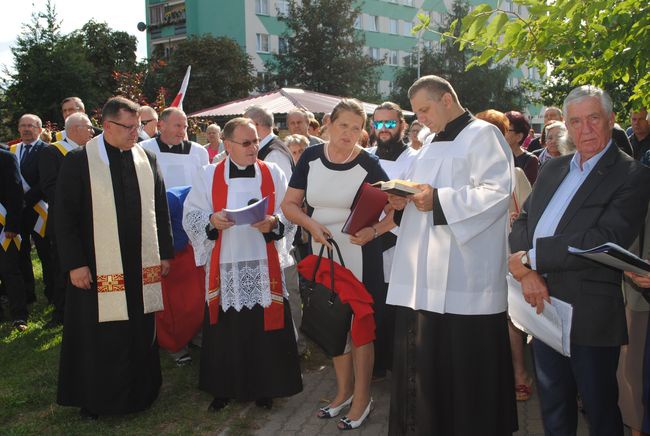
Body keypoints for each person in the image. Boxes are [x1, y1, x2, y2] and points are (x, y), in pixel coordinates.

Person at [508, 85, 650, 436]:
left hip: (589, 310)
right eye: (576, 121)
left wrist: (530, 258)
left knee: (600, 408)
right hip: (541, 304)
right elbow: (524, 221)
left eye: (593, 119)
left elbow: (604, 238)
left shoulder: (632, 175)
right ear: (567, 126)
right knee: (554, 405)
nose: (585, 129)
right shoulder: (554, 168)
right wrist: (527, 272)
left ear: (611, 120)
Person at [386, 75, 517, 435]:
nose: (421, 119)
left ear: (447, 100)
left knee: (464, 367)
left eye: (424, 110)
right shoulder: (428, 144)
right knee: (427, 367)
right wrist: (401, 201)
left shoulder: (483, 135)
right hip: (422, 277)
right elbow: (419, 194)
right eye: (416, 113)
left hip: (464, 277)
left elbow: (496, 194)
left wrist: (439, 199)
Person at [55, 96, 174, 419]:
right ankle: (99, 398)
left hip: (139, 265)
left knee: (138, 330)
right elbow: (64, 218)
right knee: (101, 334)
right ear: (107, 126)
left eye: (138, 127)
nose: (137, 133)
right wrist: (74, 263)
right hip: (96, 267)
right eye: (129, 127)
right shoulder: (79, 162)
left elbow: (159, 209)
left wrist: (164, 253)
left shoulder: (146, 159)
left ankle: (141, 393)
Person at [282, 99, 394, 430]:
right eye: (343, 125)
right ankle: (343, 392)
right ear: (328, 123)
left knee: (359, 329)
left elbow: (398, 209)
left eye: (356, 128)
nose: (348, 133)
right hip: (322, 253)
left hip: (359, 255)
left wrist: (374, 230)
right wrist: (309, 224)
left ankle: (362, 398)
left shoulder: (369, 164)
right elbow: (288, 204)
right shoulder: (311, 159)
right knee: (333, 322)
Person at [182, 117, 302, 412]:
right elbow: (191, 215)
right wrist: (212, 220)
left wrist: (274, 222)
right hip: (226, 263)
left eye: (256, 141)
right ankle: (223, 388)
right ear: (227, 144)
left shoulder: (272, 172)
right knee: (226, 330)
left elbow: (291, 211)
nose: (253, 147)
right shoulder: (208, 175)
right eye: (246, 143)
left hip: (263, 263)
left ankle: (266, 387)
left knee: (265, 327)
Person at [140, 107, 209, 365]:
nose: (183, 131)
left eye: (185, 126)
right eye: (178, 126)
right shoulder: (145, 149)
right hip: (159, 229)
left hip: (193, 232)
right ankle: (170, 340)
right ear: (161, 126)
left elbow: (205, 187)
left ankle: (196, 331)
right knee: (167, 293)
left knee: (194, 290)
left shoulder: (199, 152)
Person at [476, 108, 535, 401]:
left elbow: (529, 219)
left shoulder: (516, 173)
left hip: (507, 255)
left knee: (511, 319)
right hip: (476, 257)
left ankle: (519, 374)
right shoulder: (464, 173)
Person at [366, 101, 418, 378]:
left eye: (389, 123)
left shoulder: (415, 159)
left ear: (402, 125)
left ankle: (398, 364)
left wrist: (386, 229)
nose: (383, 129)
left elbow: (411, 203)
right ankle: (374, 365)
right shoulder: (366, 155)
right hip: (368, 239)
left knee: (396, 308)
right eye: (378, 123)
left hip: (399, 242)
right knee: (373, 304)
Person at [40, 113, 94, 328]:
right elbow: (50, 187)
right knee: (62, 267)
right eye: (88, 127)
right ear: (74, 129)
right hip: (65, 220)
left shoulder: (93, 151)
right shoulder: (53, 152)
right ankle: (61, 313)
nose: (92, 131)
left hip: (90, 222)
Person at [10, 114, 52, 307]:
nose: (27, 129)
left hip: (39, 210)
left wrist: (25, 199)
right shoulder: (12, 150)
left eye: (31, 126)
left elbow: (45, 181)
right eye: (23, 126)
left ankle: (52, 291)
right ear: (18, 129)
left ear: (39, 129)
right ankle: (29, 294)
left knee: (46, 254)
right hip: (19, 213)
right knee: (22, 253)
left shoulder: (47, 150)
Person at [0, 148, 27, 331]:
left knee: (10, 270)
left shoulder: (6, 158)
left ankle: (19, 315)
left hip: (4, 227)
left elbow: (16, 193)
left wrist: (12, 226)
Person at [505, 111, 540, 184]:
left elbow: (527, 192)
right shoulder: (495, 156)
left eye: (507, 129)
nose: (502, 132)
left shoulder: (530, 160)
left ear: (519, 137)